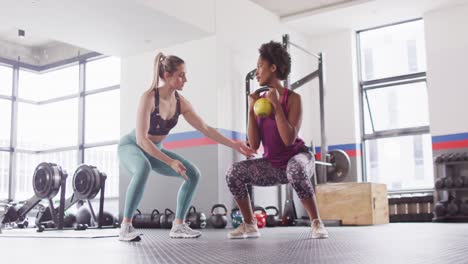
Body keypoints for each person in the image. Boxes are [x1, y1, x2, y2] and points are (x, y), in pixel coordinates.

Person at [118, 52, 255, 242]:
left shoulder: (180, 103)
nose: (186, 79)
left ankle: (179, 225)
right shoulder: (149, 98)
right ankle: (125, 226)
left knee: (192, 174)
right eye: (181, 75)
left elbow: (205, 128)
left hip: (154, 149)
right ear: (167, 76)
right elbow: (142, 140)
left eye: (185, 74)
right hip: (132, 146)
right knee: (143, 167)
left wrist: (234, 144)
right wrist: (169, 161)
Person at [225, 41, 329, 239]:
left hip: (299, 159)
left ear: (273, 68)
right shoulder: (259, 103)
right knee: (233, 173)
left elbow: (289, 139)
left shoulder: (293, 98)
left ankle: (316, 222)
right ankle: (249, 224)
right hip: (273, 165)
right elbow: (254, 145)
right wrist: (250, 110)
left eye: (259, 66)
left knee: (295, 169)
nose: (256, 72)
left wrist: (276, 106)